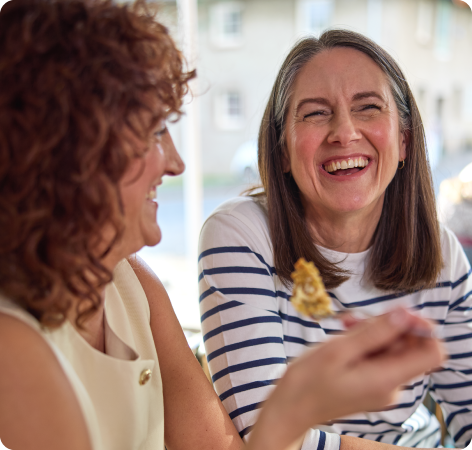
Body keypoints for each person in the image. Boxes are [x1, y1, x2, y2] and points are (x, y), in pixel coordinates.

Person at [0, 2, 444, 450]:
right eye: (154, 132)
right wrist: (295, 405)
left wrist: (293, 404)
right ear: (64, 150)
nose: (176, 163)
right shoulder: (12, 349)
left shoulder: (132, 284)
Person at [198, 30, 472, 449]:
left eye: (368, 108)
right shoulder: (241, 235)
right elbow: (267, 435)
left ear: (404, 140)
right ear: (282, 151)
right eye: (314, 114)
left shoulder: (441, 252)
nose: (344, 132)